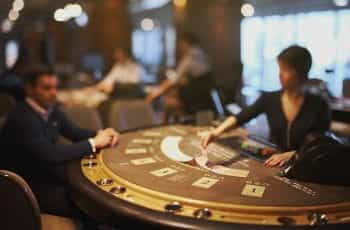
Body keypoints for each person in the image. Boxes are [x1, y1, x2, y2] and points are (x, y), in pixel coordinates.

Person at [0, 67, 119, 219]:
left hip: (47, 175)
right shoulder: (22, 118)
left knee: (95, 197)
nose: (54, 92)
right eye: (47, 88)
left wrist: (102, 134)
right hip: (26, 189)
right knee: (90, 206)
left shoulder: (50, 109)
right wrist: (94, 142)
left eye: (55, 87)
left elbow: (75, 132)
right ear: (29, 89)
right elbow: (50, 154)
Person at [201, 45, 331, 167]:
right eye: (280, 69)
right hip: (273, 161)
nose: (280, 74)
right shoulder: (270, 98)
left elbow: (321, 144)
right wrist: (216, 132)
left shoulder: (318, 103)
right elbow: (242, 116)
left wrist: (293, 154)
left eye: (286, 70)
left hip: (304, 165)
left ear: (302, 72)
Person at [146, 33, 214, 119]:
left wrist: (156, 93)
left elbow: (175, 79)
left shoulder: (191, 55)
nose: (179, 47)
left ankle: (165, 126)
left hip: (198, 96)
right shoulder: (199, 52)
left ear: (186, 43)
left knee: (168, 102)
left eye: (180, 44)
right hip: (205, 94)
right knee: (171, 96)